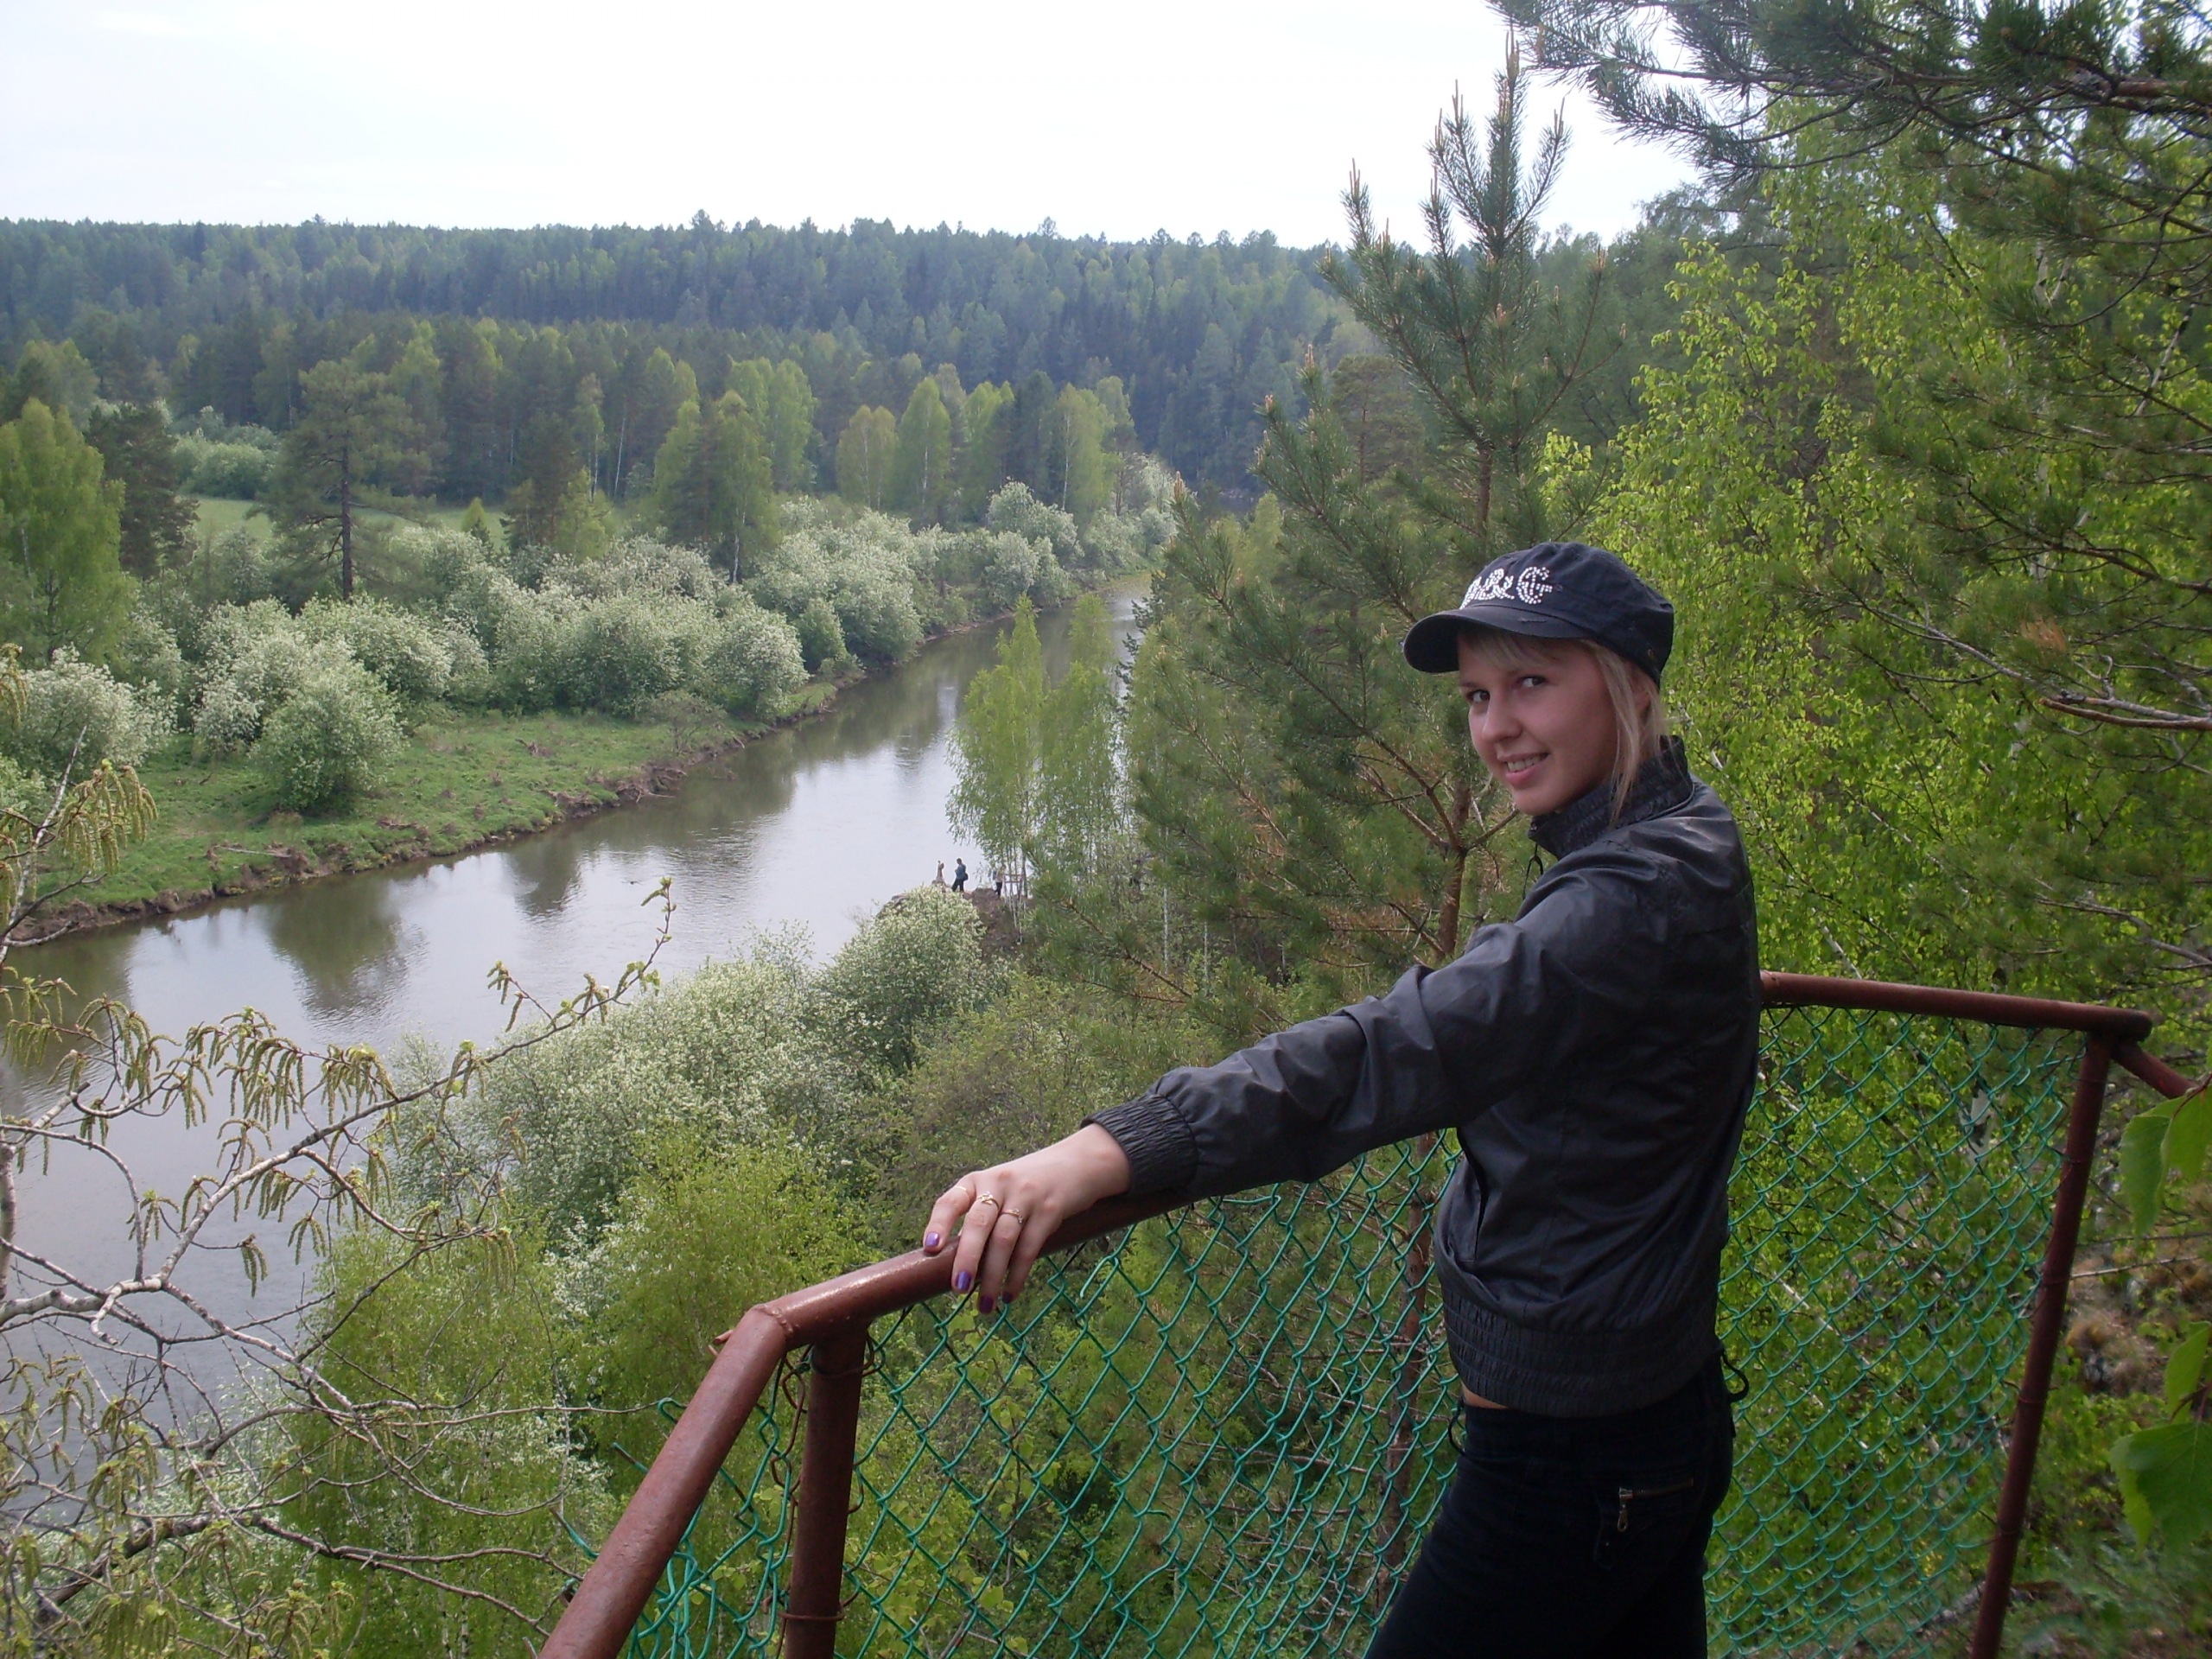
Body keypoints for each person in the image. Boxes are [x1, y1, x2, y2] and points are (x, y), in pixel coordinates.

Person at [920, 543, 1759, 1657]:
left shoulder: (1631, 896)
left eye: (1532, 683)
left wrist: (1111, 1147)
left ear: (1632, 687)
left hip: (1573, 1463)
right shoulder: (1676, 835)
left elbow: (1388, 1050)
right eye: (1477, 696)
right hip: (1649, 1417)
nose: (1497, 727)